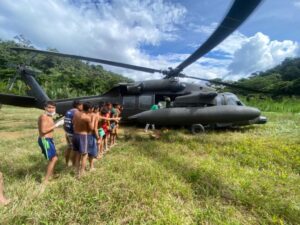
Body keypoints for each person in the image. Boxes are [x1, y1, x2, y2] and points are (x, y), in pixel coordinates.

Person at [38, 101, 63, 184]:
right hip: (45, 140)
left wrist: (56, 122)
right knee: (54, 159)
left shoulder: (50, 117)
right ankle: (46, 180)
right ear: (45, 108)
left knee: (53, 158)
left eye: (53, 108)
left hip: (49, 140)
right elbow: (43, 130)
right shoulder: (44, 117)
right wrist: (56, 125)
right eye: (49, 107)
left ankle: (51, 175)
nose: (51, 109)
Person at [72, 102, 95, 177]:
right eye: (91, 109)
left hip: (75, 134)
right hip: (83, 136)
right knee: (85, 154)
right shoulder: (87, 117)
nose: (92, 110)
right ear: (89, 109)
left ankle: (76, 172)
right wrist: (93, 120)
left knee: (78, 154)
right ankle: (82, 172)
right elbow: (91, 128)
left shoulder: (76, 113)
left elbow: (73, 122)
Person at [64, 100, 83, 166]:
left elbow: (65, 122)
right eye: (81, 105)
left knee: (69, 147)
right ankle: (73, 165)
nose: (82, 107)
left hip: (67, 132)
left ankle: (66, 163)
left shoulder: (68, 111)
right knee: (75, 150)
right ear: (78, 105)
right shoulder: (77, 112)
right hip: (73, 133)